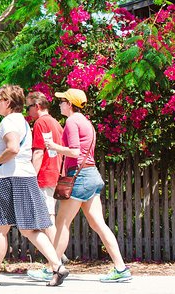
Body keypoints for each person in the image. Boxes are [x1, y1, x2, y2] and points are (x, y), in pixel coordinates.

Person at [0, 85, 68, 287]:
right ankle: (58, 266)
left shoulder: (9, 121)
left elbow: (13, 148)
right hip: (25, 178)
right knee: (30, 229)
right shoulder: (21, 121)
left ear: (7, 102)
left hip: (8, 179)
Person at [46, 88, 132, 283]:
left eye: (62, 101)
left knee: (62, 222)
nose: (59, 104)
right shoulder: (86, 122)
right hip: (92, 175)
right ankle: (121, 268)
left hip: (80, 176)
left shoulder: (72, 121)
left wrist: (54, 147)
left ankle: (53, 267)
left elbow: (75, 152)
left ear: (69, 104)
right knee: (98, 224)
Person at [25, 91, 65, 282]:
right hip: (53, 172)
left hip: (44, 175)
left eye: (29, 107)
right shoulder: (56, 123)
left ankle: (55, 264)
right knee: (48, 217)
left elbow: (39, 152)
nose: (28, 111)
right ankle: (56, 261)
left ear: (37, 106)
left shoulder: (41, 123)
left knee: (46, 220)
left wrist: (31, 177)